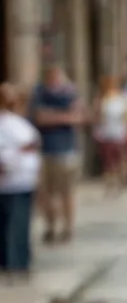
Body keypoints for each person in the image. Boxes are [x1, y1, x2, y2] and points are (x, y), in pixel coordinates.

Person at [30, 65, 84, 244]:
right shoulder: (39, 93)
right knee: (46, 193)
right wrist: (64, 116)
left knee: (67, 192)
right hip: (45, 150)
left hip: (66, 151)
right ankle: (51, 226)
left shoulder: (70, 93)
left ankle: (68, 227)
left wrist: (54, 116)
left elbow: (77, 117)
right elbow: (40, 117)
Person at [0, 83, 41, 277]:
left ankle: (14, 261)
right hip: (14, 180)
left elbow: (29, 146)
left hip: (19, 180)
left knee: (13, 223)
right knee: (12, 224)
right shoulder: (12, 123)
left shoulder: (17, 123)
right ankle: (13, 262)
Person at [93, 76, 127, 193]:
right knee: (108, 160)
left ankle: (120, 180)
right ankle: (110, 182)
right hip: (106, 133)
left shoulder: (123, 98)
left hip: (120, 133)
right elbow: (97, 116)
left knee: (120, 158)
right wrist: (97, 130)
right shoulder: (101, 99)